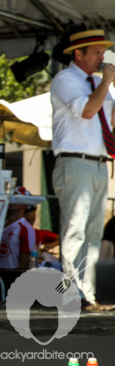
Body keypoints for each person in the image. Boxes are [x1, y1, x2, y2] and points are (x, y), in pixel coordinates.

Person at [50, 29, 115, 312]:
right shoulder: (66, 79)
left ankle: (88, 295)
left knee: (92, 233)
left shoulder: (100, 83)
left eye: (103, 52)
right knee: (75, 229)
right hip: (74, 162)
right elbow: (88, 110)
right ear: (78, 54)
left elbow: (111, 118)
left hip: (100, 162)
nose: (102, 58)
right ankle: (73, 294)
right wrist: (107, 82)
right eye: (97, 53)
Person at [0, 187, 39, 270]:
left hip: (10, 276)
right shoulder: (0, 223)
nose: (10, 201)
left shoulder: (25, 229)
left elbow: (25, 261)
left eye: (15, 199)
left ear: (23, 205)